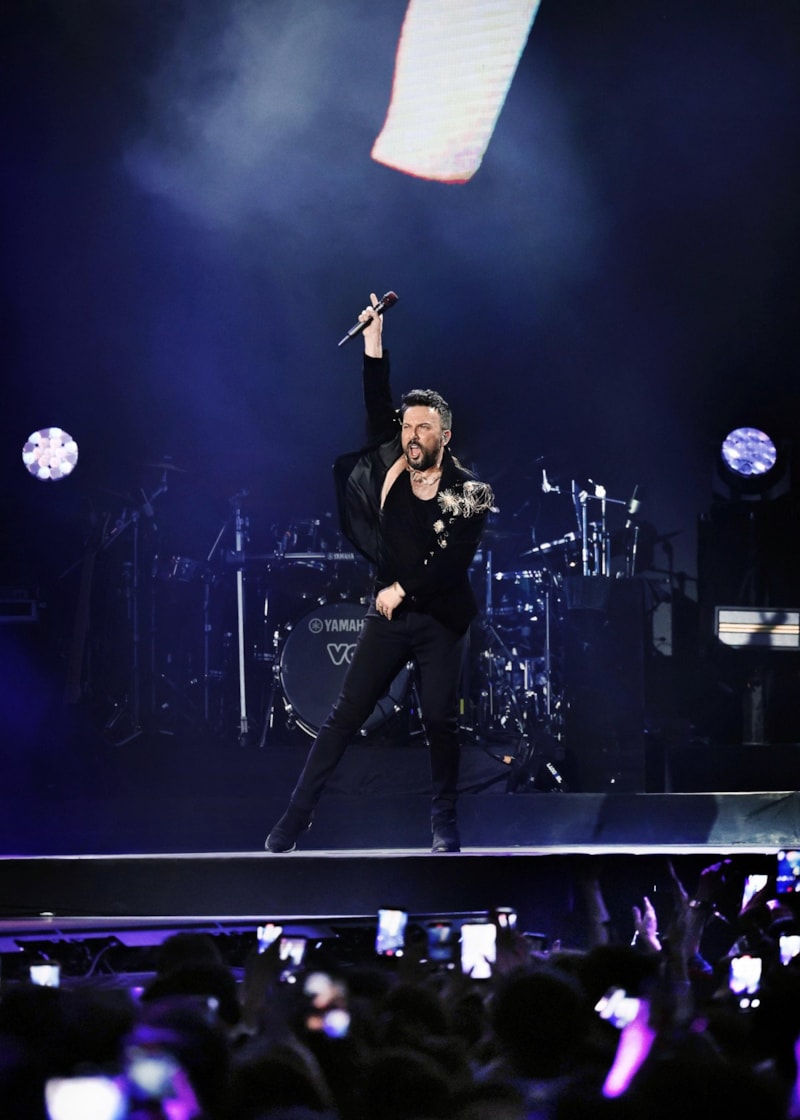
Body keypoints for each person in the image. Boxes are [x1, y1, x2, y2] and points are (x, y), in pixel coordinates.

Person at [266, 292, 495, 854]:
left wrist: (401, 588)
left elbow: (451, 563)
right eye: (407, 426)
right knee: (344, 714)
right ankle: (297, 816)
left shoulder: (469, 491)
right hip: (390, 616)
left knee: (440, 721)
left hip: (440, 619)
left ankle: (444, 822)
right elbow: (377, 401)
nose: (412, 435)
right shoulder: (392, 463)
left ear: (444, 435)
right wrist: (374, 341)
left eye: (424, 428)